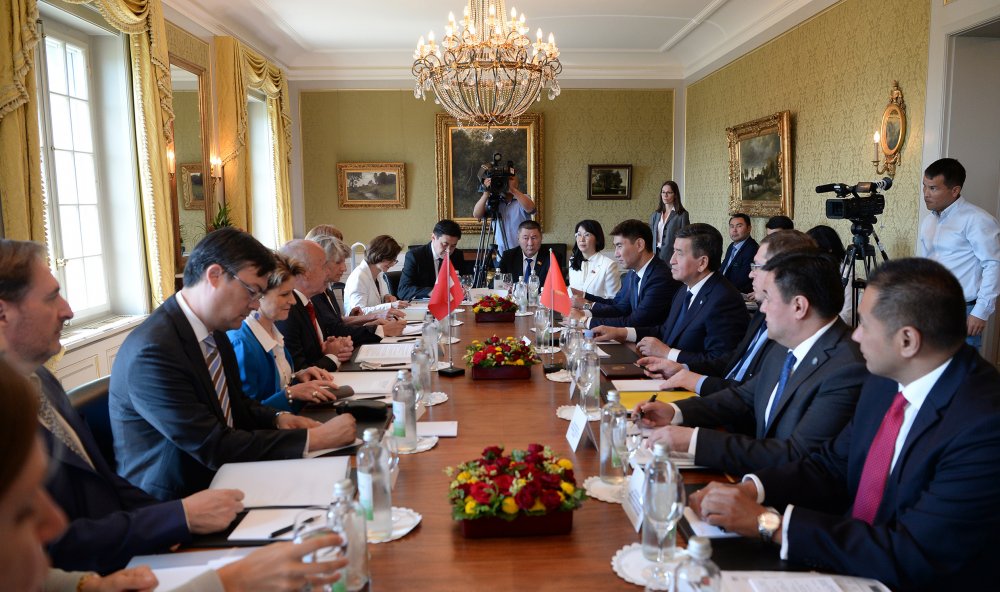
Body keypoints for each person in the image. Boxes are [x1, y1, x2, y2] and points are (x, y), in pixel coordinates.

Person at [688, 258, 1000, 590]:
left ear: (907, 341)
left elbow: (915, 554)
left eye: (864, 324)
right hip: (849, 563)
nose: (856, 335)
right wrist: (751, 488)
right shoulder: (886, 379)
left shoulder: (984, 426)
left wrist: (770, 524)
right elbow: (831, 466)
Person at [0, 239, 245, 573]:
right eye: (51, 297)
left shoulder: (39, 377)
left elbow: (105, 479)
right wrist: (177, 518)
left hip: (124, 549)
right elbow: (47, 541)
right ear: (3, 314)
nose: (68, 311)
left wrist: (174, 518)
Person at [0, 361, 346, 592]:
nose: (53, 520)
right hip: (122, 537)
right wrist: (227, 581)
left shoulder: (37, 380)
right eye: (23, 510)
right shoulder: (153, 350)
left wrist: (84, 585)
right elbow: (212, 444)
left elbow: (104, 477)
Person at [110, 229, 358, 500]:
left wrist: (278, 418)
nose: (255, 305)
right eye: (251, 291)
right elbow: (211, 444)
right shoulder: (154, 351)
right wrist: (315, 439)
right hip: (180, 500)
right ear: (214, 276)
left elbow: (237, 403)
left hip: (225, 475)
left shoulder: (215, 330)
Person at [634, 250, 867, 476]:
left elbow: (797, 454)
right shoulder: (786, 344)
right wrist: (675, 412)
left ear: (798, 306)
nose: (762, 308)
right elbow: (744, 397)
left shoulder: (846, 368)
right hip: (758, 471)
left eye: (769, 299)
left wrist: (694, 440)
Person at [642, 230, 817, 396]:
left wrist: (690, 378)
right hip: (720, 393)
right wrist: (683, 370)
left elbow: (750, 393)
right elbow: (732, 361)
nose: (750, 274)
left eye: (757, 266)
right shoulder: (762, 313)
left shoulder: (788, 329)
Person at [593, 223, 748, 375]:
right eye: (673, 252)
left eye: (679, 253)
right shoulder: (684, 289)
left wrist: (668, 353)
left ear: (702, 263)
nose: (672, 260)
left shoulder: (724, 299)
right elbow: (665, 331)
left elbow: (720, 362)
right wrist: (621, 333)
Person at [228, 252, 342, 413]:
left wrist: (297, 378)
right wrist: (291, 393)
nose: (293, 301)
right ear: (258, 294)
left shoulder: (273, 333)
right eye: (284, 294)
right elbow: (245, 414)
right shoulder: (242, 344)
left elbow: (276, 387)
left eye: (292, 293)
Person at [917, 157, 1000, 348]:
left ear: (955, 190)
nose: (926, 194)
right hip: (931, 307)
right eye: (924, 186)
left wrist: (981, 312)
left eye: (933, 188)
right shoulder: (929, 221)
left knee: (962, 365)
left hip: (962, 310)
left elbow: (994, 265)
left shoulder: (978, 220)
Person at [569, 219, 680, 328]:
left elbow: (636, 322)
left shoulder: (660, 277)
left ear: (640, 245)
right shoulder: (632, 273)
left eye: (619, 246)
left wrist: (585, 320)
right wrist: (584, 301)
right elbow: (619, 307)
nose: (616, 254)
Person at [277, 239, 358, 372]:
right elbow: (298, 373)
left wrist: (335, 347)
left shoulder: (309, 302)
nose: (328, 273)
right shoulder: (287, 311)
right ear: (304, 272)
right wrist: (333, 356)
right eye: (324, 266)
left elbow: (316, 354)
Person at [472, 166, 537, 255]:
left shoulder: (523, 198)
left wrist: (513, 190)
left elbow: (531, 209)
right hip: (502, 255)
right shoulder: (494, 201)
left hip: (523, 253)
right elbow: (477, 214)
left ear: (517, 183)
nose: (506, 181)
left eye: (510, 179)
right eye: (504, 179)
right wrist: (486, 193)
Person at [398, 219, 465, 300]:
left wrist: (463, 289)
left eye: (453, 246)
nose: (449, 250)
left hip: (450, 304)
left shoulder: (457, 255)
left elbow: (464, 282)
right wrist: (431, 292)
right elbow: (403, 290)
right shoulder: (415, 256)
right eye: (445, 244)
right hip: (424, 305)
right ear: (433, 237)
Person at [344, 234, 409, 315]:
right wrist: (390, 305)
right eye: (390, 259)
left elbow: (373, 302)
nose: (392, 264)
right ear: (379, 255)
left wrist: (385, 298)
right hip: (363, 323)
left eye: (394, 260)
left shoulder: (376, 273)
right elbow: (358, 313)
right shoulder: (358, 277)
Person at [807, 224, 852, 324]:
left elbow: (847, 314)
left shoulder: (846, 272)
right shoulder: (811, 269)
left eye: (814, 250)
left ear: (829, 249)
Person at [568, 219, 621, 299]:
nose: (581, 239)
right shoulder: (572, 261)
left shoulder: (609, 265)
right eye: (578, 234)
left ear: (597, 238)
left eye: (587, 235)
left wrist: (586, 304)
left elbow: (613, 300)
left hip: (596, 307)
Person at [498, 220, 562, 287]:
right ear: (518, 239)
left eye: (534, 238)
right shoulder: (508, 256)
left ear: (541, 238)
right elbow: (494, 284)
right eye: (525, 238)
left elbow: (557, 286)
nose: (530, 243)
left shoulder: (552, 257)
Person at [648, 180, 690, 262]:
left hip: (672, 257)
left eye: (669, 192)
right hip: (654, 255)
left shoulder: (682, 215)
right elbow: (650, 236)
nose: (665, 195)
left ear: (675, 195)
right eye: (663, 192)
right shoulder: (655, 215)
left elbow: (685, 239)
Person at [720, 213, 758, 293]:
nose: (734, 230)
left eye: (739, 226)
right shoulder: (731, 246)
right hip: (724, 289)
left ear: (749, 228)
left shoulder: (752, 249)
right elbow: (724, 268)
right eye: (731, 226)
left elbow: (742, 280)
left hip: (737, 294)